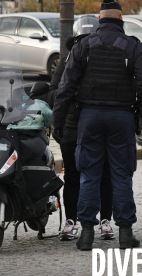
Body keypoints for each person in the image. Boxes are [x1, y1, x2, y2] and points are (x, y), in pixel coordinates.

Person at [52, 0, 142, 251]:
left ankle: (86, 234)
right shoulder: (132, 47)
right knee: (121, 175)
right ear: (121, 19)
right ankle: (125, 234)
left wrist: (58, 120)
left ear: (99, 20)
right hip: (121, 117)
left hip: (90, 118)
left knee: (88, 175)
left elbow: (65, 87)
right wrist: (139, 111)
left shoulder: (83, 46)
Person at [47, 35, 114, 241]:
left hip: (97, 123)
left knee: (104, 173)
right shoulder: (67, 60)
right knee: (73, 176)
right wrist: (69, 91)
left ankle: (105, 220)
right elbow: (51, 94)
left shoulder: (104, 57)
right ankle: (71, 221)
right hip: (71, 126)